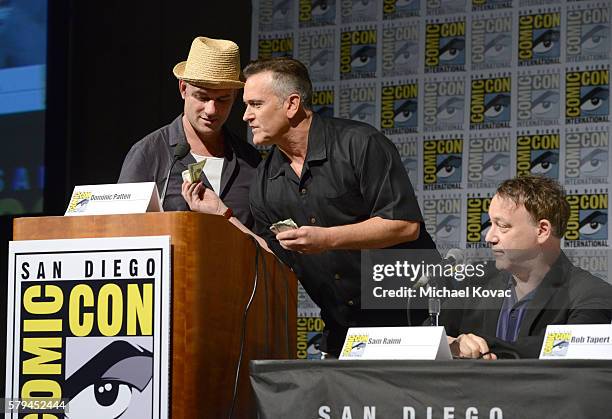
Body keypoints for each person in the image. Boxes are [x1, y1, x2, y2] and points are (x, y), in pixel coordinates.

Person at [182, 57, 438, 357]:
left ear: (291, 104)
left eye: (255, 104)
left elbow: (404, 225)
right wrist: (222, 215)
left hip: (413, 321)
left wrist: (325, 239)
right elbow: (272, 258)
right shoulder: (265, 179)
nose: (245, 117)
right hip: (346, 334)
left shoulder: (360, 143)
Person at [442, 175, 612, 359]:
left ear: (542, 231)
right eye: (490, 224)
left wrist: (485, 346)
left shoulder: (591, 293)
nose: (489, 237)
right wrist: (453, 344)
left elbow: (565, 350)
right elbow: (427, 336)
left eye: (502, 226)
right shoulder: (477, 281)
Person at [118, 36, 261, 226]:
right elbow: (121, 228)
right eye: (202, 97)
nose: (211, 110)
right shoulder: (149, 153)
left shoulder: (250, 160)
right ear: (183, 89)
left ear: (235, 97)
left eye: (222, 100)